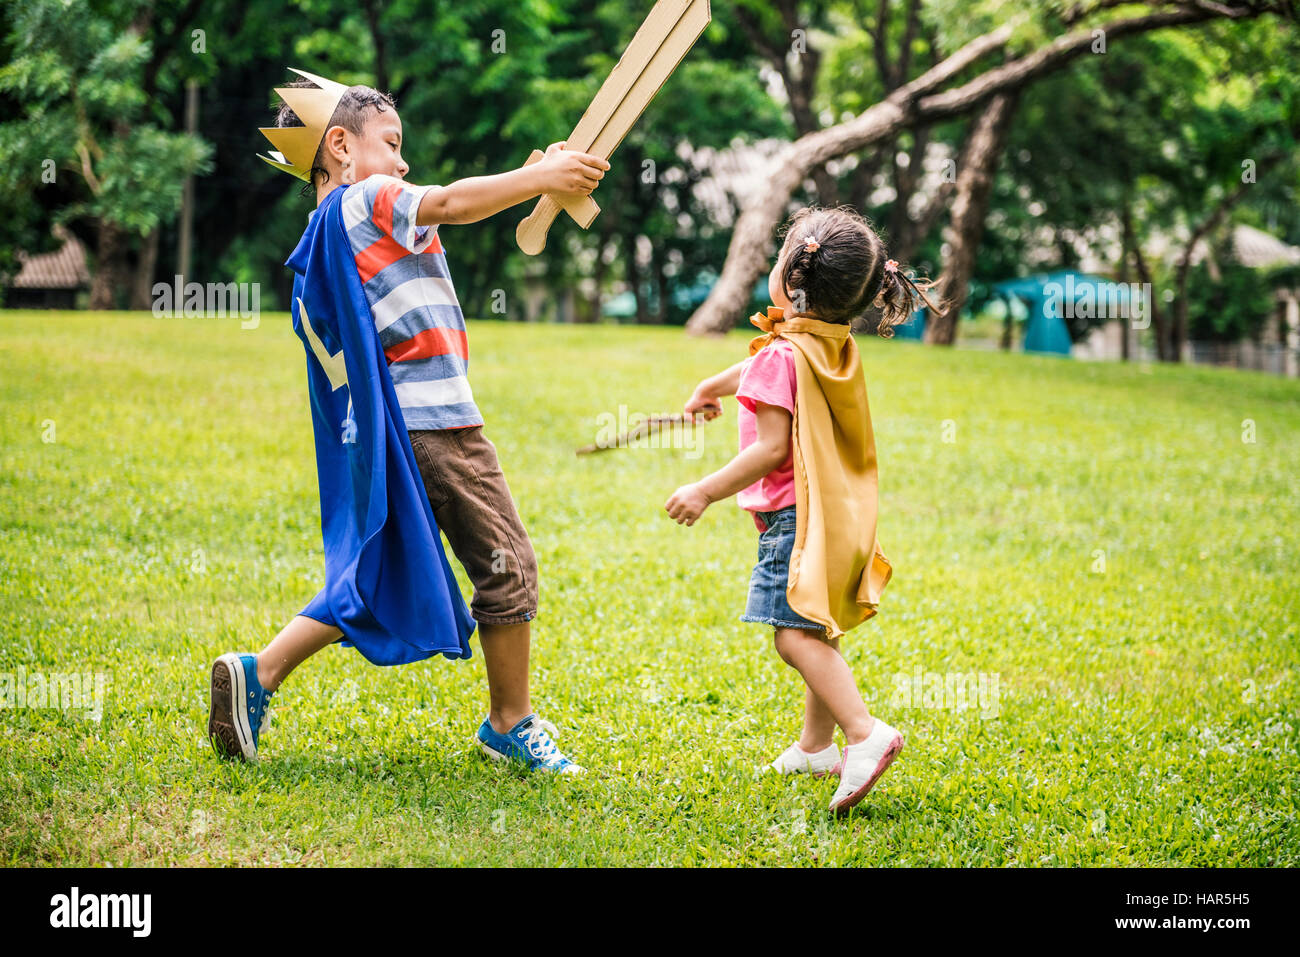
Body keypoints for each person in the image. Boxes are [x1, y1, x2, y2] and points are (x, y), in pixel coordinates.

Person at [207, 69, 608, 773]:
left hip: (394, 432)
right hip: (437, 423)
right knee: (508, 564)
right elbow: (450, 203)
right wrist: (530, 174)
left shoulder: (323, 231)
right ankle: (509, 720)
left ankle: (259, 670)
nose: (402, 162)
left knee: (378, 570)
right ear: (339, 146)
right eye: (392, 144)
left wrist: (541, 177)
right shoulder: (368, 198)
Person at [665, 205, 941, 814]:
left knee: (793, 638)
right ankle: (817, 748)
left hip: (791, 521)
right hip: (833, 510)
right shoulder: (830, 341)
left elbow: (769, 448)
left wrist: (704, 491)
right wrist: (713, 386)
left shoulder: (783, 354)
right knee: (816, 627)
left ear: (792, 279)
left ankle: (865, 733)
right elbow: (772, 358)